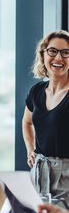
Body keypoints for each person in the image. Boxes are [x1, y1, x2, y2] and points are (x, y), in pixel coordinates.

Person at [22, 30, 69, 203]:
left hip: (66, 177)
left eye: (66, 53)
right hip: (39, 173)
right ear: (43, 55)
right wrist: (30, 149)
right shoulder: (36, 91)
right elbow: (27, 122)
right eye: (53, 51)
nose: (59, 58)